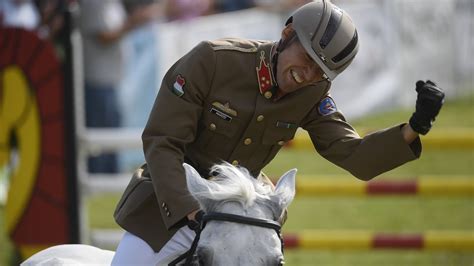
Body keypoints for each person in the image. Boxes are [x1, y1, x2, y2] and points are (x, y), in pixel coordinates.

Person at [112, 0, 445, 264]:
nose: (309, 74)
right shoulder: (212, 61)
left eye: (322, 72)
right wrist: (189, 209)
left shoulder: (313, 94)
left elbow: (353, 155)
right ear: (287, 35)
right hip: (170, 210)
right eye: (308, 58)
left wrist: (414, 128)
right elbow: (162, 141)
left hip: (240, 225)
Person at [79, 0, 160, 173]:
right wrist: (133, 22)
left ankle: (108, 177)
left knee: (111, 138)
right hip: (97, 81)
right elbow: (104, 36)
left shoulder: (111, 3)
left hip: (111, 80)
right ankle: (99, 179)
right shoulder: (93, 4)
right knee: (101, 141)